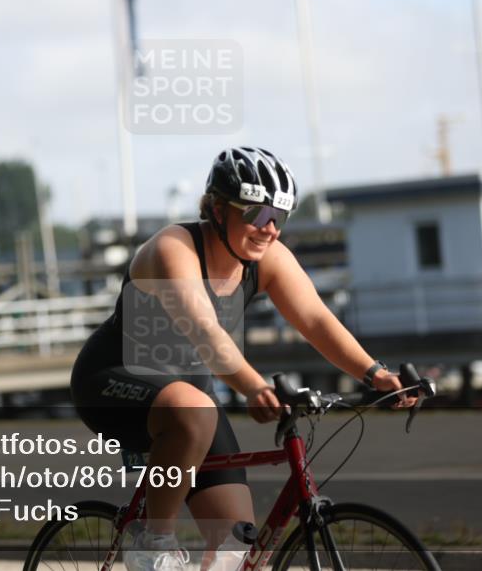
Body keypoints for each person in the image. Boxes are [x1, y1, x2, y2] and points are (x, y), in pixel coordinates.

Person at [70, 147, 413, 571]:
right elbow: (204, 330)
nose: (269, 228)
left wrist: (374, 373)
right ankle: (152, 542)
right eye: (257, 213)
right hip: (112, 379)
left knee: (235, 547)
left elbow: (315, 319)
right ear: (217, 209)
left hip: (191, 396)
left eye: (279, 217)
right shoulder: (174, 248)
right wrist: (255, 387)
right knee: (193, 409)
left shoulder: (268, 258)